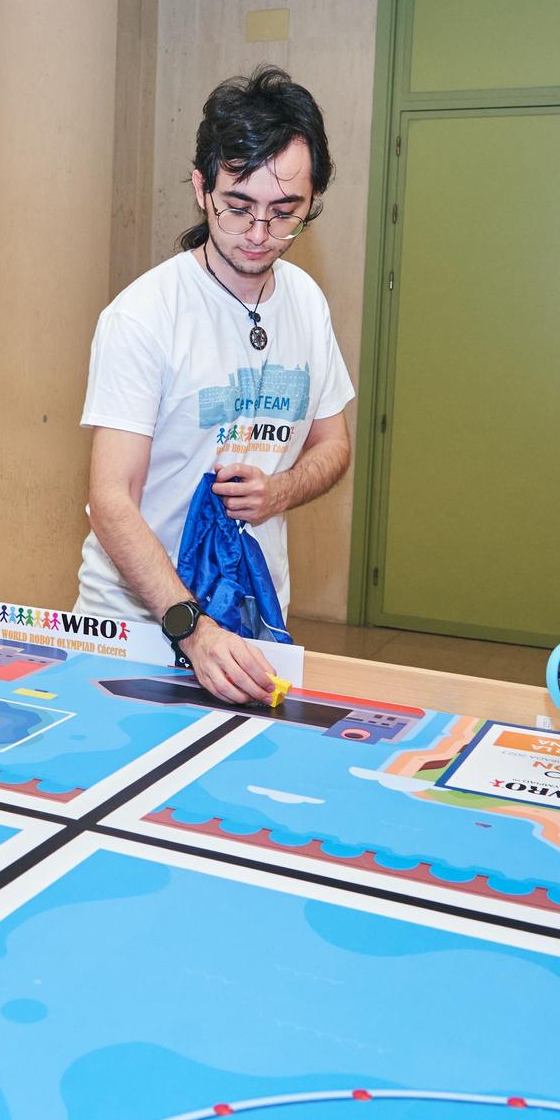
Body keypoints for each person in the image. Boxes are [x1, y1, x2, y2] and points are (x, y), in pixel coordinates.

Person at [76, 67, 355, 703]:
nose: (260, 235)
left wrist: (280, 489)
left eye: (286, 213)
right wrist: (191, 629)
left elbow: (334, 445)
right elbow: (110, 500)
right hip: (139, 624)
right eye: (239, 207)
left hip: (253, 620)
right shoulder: (144, 316)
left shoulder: (307, 303)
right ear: (203, 188)